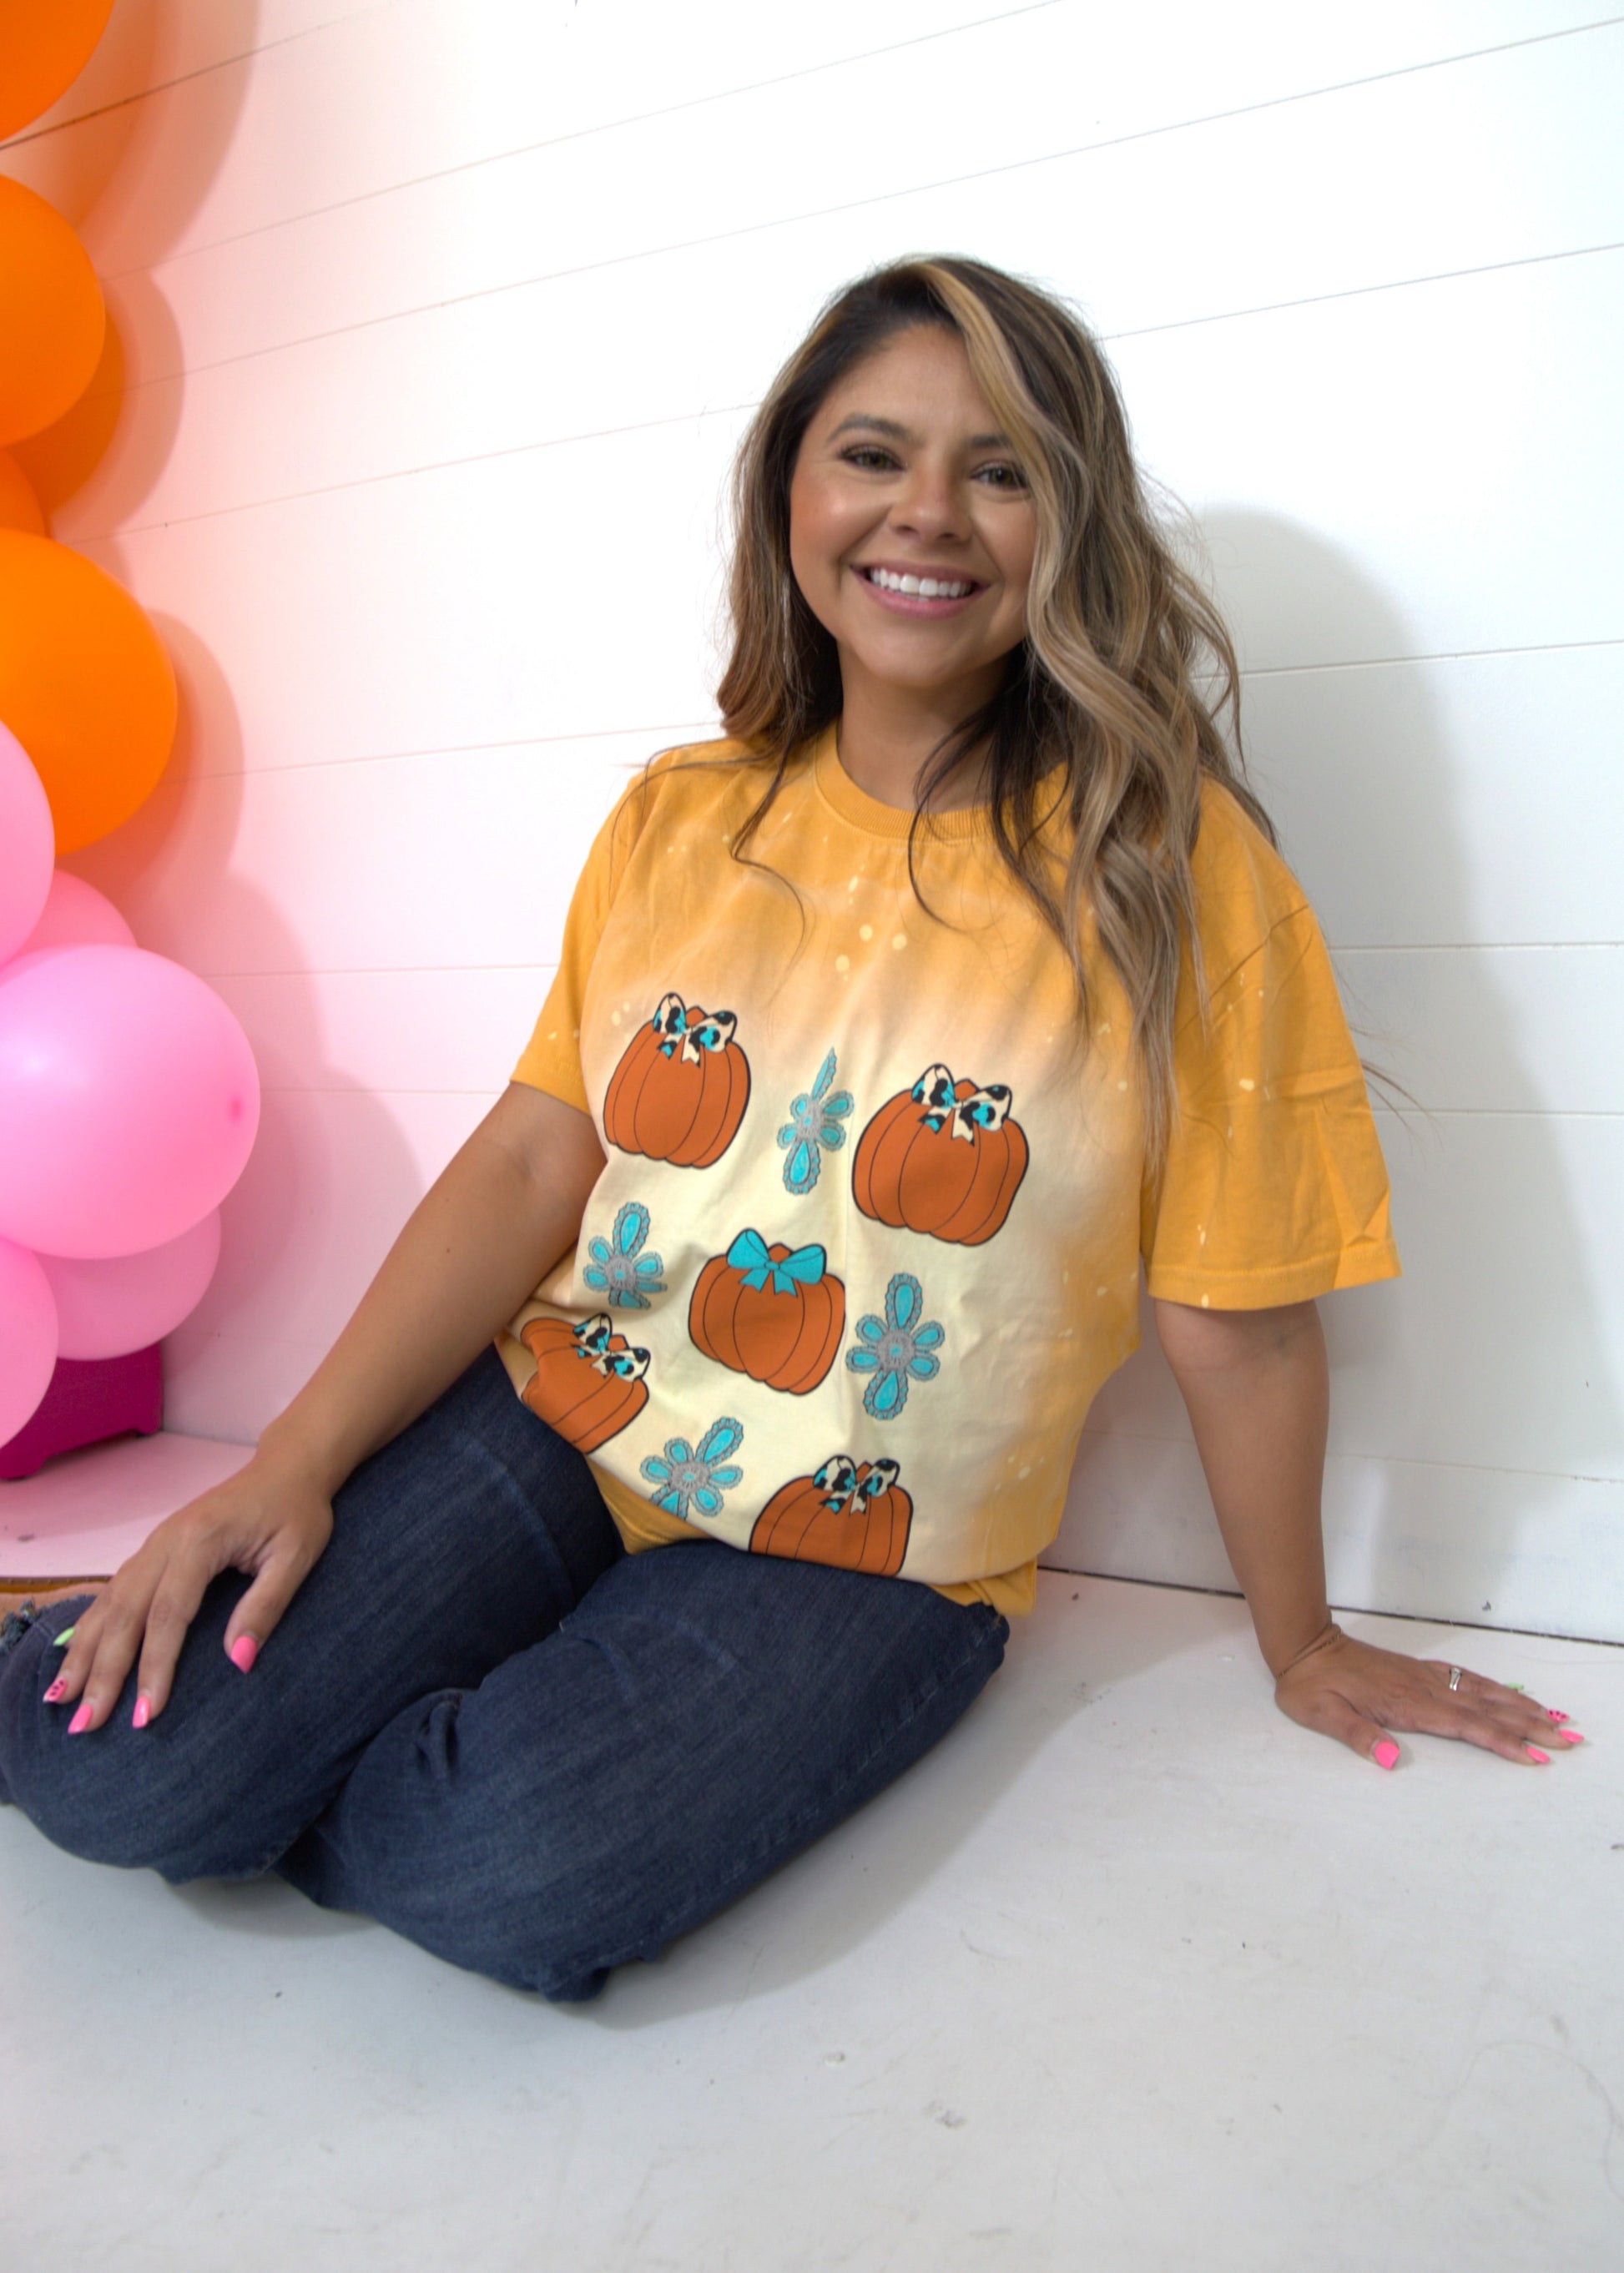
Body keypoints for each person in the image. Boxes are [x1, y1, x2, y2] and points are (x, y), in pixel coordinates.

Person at [0, 258, 1577, 2003]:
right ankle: (169, 1711)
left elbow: (1241, 1320)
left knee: (503, 1867)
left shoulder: (1173, 876)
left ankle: (304, 1768)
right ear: (789, 494)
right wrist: (286, 1467)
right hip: (570, 1412)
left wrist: (1302, 1639)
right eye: (873, 454)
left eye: (1000, 469)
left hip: (869, 1544)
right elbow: (531, 1161)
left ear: (1069, 524)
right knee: (107, 1770)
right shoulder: (677, 819)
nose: (929, 512)